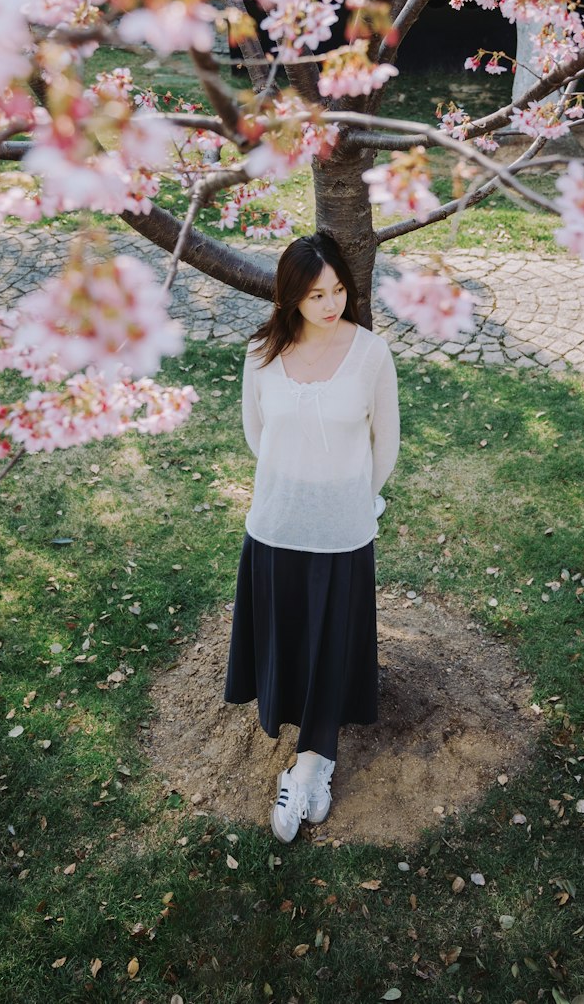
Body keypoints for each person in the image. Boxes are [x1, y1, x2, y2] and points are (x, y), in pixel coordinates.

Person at [224, 232, 400, 842]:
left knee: (333, 642)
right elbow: (257, 434)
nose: (330, 304)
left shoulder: (371, 353)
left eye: (339, 291)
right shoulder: (260, 353)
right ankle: (300, 743)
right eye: (316, 294)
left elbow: (387, 444)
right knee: (289, 637)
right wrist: (295, 486)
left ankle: (311, 764)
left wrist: (352, 499)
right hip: (275, 522)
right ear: (291, 296)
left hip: (343, 530)